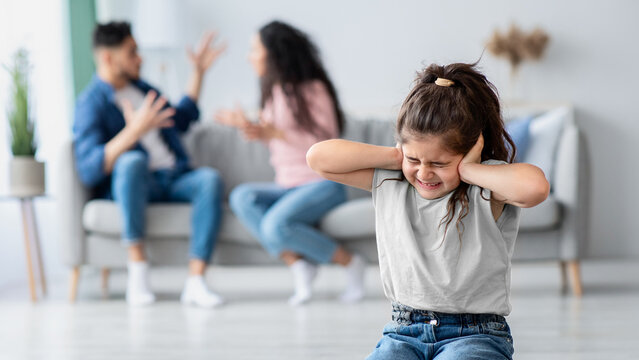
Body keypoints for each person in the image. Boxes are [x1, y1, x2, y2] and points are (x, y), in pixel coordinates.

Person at [307, 62, 550, 359]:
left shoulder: (485, 183)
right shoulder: (392, 178)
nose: (424, 173)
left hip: (476, 333)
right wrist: (399, 155)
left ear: (467, 152)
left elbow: (535, 188)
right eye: (415, 160)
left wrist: (469, 170)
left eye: (439, 163)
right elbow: (317, 158)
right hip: (403, 332)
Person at [73, 21, 227, 307]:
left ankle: (196, 282)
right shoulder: (90, 103)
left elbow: (182, 118)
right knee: (132, 161)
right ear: (108, 57)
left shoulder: (144, 89)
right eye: (132, 52)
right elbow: (89, 167)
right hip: (138, 183)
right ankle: (138, 272)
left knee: (209, 179)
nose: (140, 58)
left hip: (174, 176)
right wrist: (133, 132)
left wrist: (198, 72)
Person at [215, 20, 365, 305]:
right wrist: (253, 129)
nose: (249, 57)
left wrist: (273, 132)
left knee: (274, 226)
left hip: (321, 183)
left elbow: (326, 145)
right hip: (286, 185)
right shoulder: (272, 92)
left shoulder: (313, 89)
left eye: (254, 50)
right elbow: (280, 139)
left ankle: (349, 262)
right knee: (242, 197)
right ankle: (298, 263)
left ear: (274, 53)